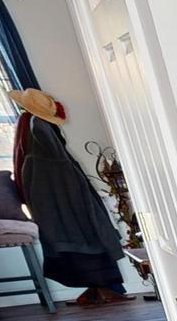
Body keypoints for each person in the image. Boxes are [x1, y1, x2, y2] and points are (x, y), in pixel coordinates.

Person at [10, 87, 127, 305]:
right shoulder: (39, 126)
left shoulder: (30, 126)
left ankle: (104, 287)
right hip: (58, 187)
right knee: (83, 229)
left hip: (51, 186)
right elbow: (58, 163)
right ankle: (100, 286)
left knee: (79, 230)